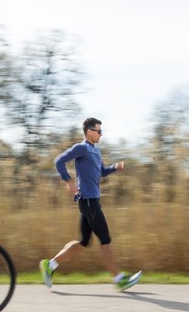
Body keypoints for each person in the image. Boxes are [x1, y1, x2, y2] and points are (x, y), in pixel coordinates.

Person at [39, 117, 142, 291]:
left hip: (91, 201)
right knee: (105, 239)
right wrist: (68, 181)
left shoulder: (96, 150)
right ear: (89, 132)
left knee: (84, 242)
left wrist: (116, 166)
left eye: (101, 131)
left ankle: (50, 265)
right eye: (98, 131)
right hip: (88, 202)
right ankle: (119, 279)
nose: (101, 134)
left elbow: (101, 172)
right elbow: (59, 161)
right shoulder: (82, 148)